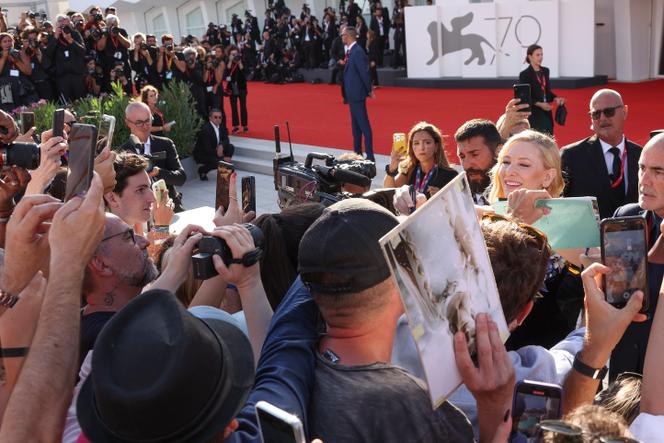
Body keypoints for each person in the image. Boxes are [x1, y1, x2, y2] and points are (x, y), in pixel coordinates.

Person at [489, 130, 583, 350]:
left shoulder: (571, 225)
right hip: (487, 349)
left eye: (524, 164)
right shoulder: (482, 215)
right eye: (505, 161)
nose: (509, 171)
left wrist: (522, 221)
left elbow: (598, 271)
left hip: (544, 358)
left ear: (547, 177)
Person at [607, 133, 664, 378]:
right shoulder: (626, 216)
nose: (644, 180)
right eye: (642, 168)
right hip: (622, 372)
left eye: (658, 171)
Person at [78, 213, 160, 367]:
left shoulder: (81, 324)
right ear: (101, 264)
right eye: (129, 237)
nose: (145, 241)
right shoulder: (111, 338)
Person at [561, 89, 642, 220]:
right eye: (596, 114)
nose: (603, 118)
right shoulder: (571, 156)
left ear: (624, 111)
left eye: (609, 112)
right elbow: (559, 202)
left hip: (634, 237)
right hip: (589, 239)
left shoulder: (641, 155)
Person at [120, 102, 186, 212]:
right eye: (139, 123)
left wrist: (158, 172)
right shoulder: (122, 153)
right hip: (139, 215)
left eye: (148, 121)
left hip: (170, 209)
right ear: (127, 123)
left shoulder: (166, 144)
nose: (145, 127)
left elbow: (181, 178)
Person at [384, 121, 457, 200]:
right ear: (411, 147)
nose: (421, 148)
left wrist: (443, 198)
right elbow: (389, 192)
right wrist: (392, 169)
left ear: (436, 146)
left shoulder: (451, 175)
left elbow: (460, 205)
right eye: (416, 143)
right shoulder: (409, 171)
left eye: (427, 142)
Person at [342, 27, 374, 161]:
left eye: (343, 35)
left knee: (363, 125)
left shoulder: (357, 52)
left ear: (348, 36)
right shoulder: (352, 51)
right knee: (355, 126)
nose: (342, 37)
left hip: (357, 94)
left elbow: (364, 72)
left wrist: (369, 90)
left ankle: (370, 155)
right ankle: (357, 153)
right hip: (352, 94)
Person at [518, 44, 565, 135]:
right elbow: (524, 97)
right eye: (537, 55)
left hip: (547, 112)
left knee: (548, 139)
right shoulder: (525, 74)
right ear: (530, 57)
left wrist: (555, 99)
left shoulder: (545, 71)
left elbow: (546, 92)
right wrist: (539, 104)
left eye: (541, 54)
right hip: (534, 115)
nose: (540, 57)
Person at [103, 152, 157, 229]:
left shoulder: (131, 229)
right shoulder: (110, 239)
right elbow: (154, 240)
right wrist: (162, 225)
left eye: (149, 187)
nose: (153, 198)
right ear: (112, 198)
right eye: (140, 190)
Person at [455, 118, 502, 204]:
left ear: (498, 151)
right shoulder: (457, 197)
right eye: (462, 157)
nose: (467, 165)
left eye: (474, 154)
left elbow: (502, 215)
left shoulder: (512, 192)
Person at [44, 14, 87, 102]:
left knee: (81, 101)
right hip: (62, 77)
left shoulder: (75, 34)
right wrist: (55, 37)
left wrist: (70, 40)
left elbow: (82, 51)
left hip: (77, 75)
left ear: (69, 22)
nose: (62, 23)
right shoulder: (53, 37)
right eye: (60, 22)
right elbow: (48, 54)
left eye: (64, 21)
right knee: (67, 103)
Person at [194, 108, 234, 181]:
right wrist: (222, 158)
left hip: (215, 150)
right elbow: (206, 149)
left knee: (230, 147)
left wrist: (221, 145)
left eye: (220, 117)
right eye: (215, 117)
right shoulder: (206, 129)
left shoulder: (222, 126)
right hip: (204, 154)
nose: (218, 119)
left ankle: (224, 170)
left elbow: (226, 139)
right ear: (210, 118)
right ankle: (202, 170)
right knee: (219, 161)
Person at [225, 45, 249, 133]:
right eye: (232, 54)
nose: (235, 56)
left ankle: (245, 125)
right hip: (232, 87)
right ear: (229, 55)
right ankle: (235, 126)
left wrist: (239, 63)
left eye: (236, 54)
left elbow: (245, 73)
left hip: (242, 86)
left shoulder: (242, 60)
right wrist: (231, 61)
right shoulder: (228, 61)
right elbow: (227, 73)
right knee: (233, 107)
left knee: (243, 106)